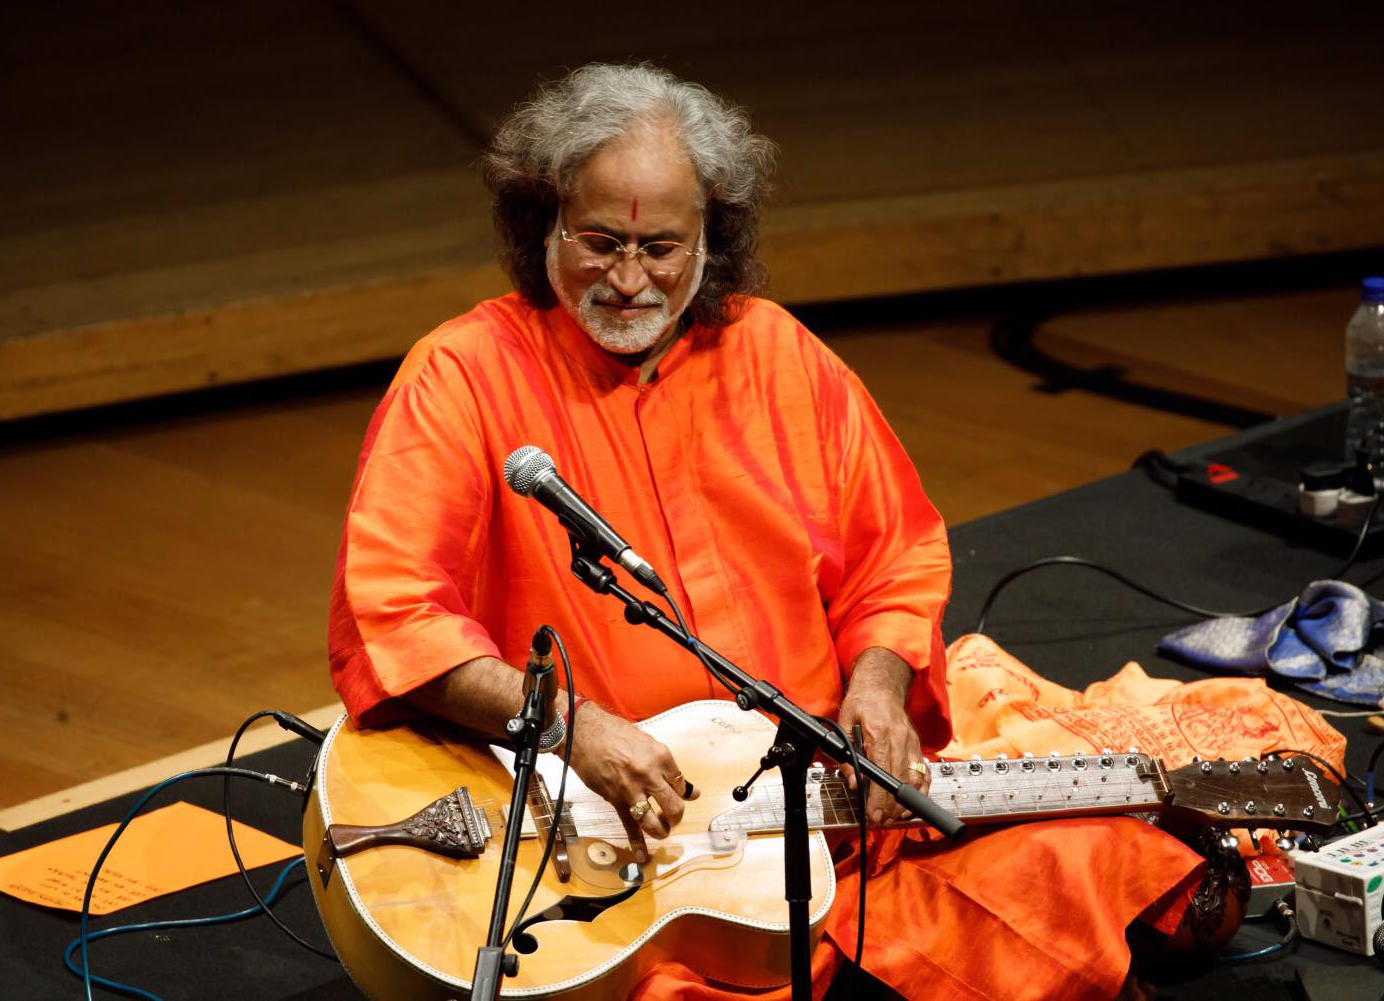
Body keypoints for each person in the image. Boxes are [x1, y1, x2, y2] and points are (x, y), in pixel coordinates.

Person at [329, 63, 1207, 1000]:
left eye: (660, 246)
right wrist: (568, 723)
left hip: (815, 815)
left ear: (713, 237)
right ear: (539, 219)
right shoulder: (460, 376)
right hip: (601, 850)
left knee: (1083, 859)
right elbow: (394, 613)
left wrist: (878, 683)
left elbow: (896, 555)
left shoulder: (780, 353)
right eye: (598, 241)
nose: (629, 281)